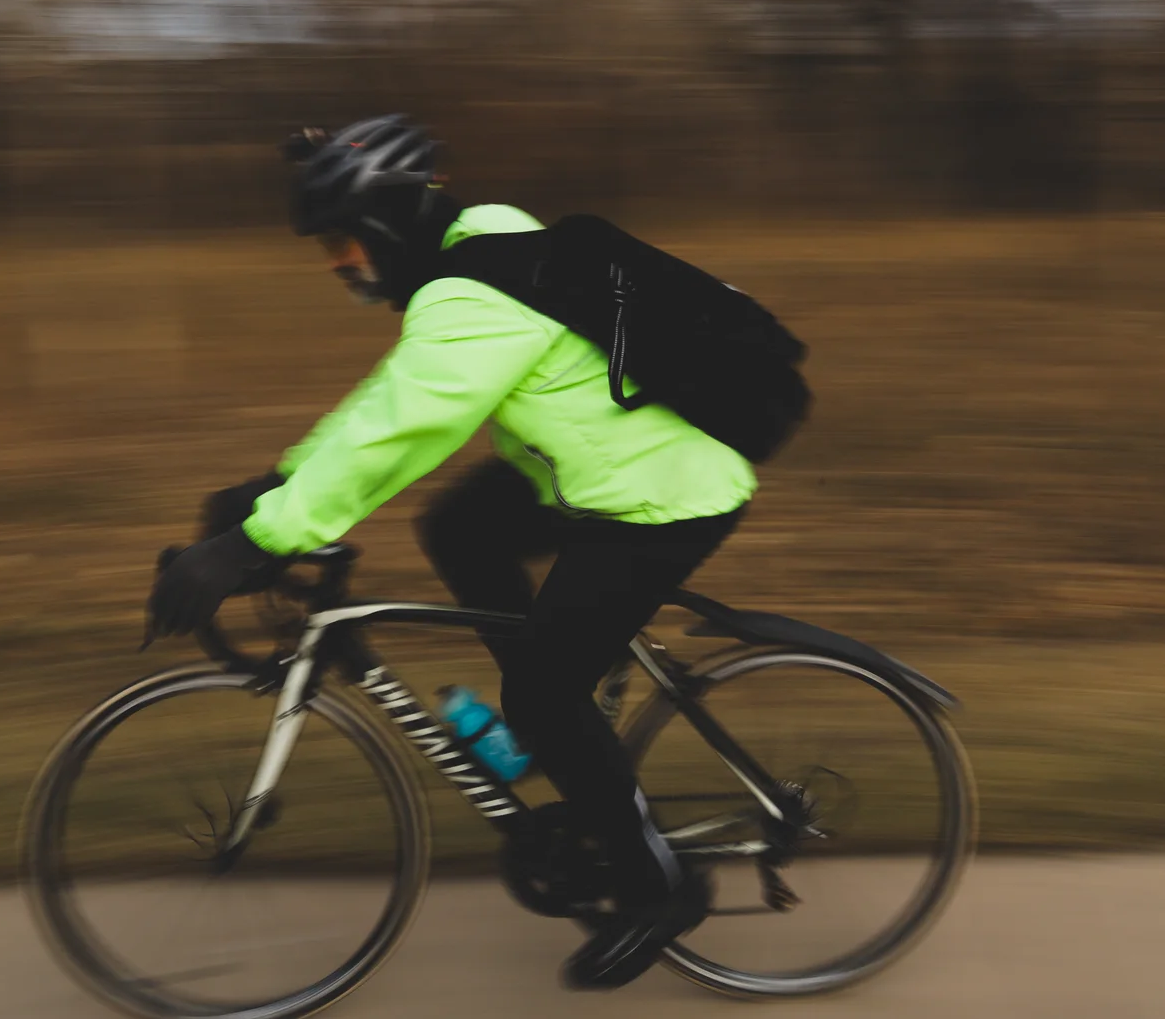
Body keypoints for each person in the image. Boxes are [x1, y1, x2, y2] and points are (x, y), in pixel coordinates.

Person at [146, 113, 754, 991]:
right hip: (600, 468)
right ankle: (556, 733)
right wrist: (273, 489)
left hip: (662, 496)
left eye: (341, 241)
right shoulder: (477, 246)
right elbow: (383, 405)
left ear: (388, 222)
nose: (337, 264)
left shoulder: (473, 291)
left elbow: (404, 431)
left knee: (542, 686)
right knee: (459, 527)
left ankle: (656, 887)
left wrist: (257, 541)